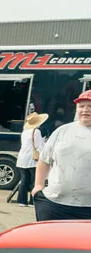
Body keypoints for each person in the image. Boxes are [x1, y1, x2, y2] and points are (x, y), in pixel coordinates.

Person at [33, 90, 91, 220]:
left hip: (88, 208)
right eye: (81, 106)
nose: (85, 110)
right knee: (49, 240)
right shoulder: (62, 131)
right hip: (54, 204)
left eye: (90, 106)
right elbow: (44, 160)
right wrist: (38, 186)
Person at [12, 112, 47, 206]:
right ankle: (32, 201)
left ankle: (21, 201)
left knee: (24, 180)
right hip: (32, 160)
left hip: (22, 158)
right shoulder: (36, 131)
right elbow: (38, 146)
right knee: (34, 181)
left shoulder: (25, 132)